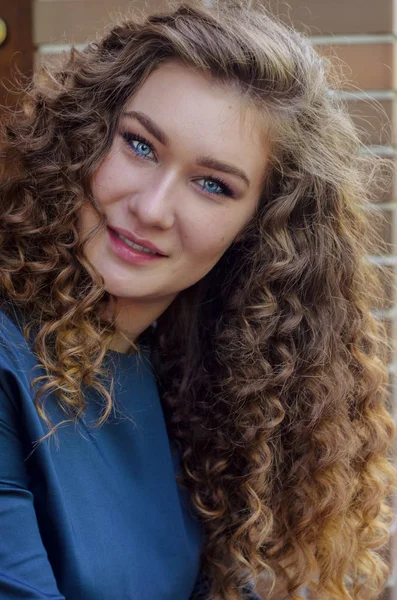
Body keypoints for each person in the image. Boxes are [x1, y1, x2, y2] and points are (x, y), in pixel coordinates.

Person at [0, 0, 396, 598]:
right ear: (84, 136)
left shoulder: (185, 381)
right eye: (139, 145)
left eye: (213, 184)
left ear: (261, 230)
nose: (152, 208)